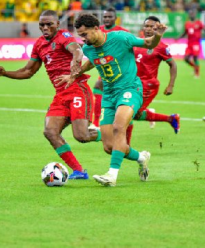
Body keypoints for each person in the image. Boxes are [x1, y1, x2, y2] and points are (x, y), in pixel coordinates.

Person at [58, 13, 167, 187]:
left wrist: (158, 36)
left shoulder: (120, 38)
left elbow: (148, 43)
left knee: (118, 127)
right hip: (109, 96)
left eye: (85, 34)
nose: (83, 39)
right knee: (109, 146)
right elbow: (92, 63)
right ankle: (141, 158)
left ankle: (111, 175)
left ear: (96, 29)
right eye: (80, 36)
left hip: (130, 89)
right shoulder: (88, 48)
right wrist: (74, 75)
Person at [0, 10, 101, 180]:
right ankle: (79, 171)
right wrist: (5, 73)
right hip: (61, 95)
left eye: (49, 24)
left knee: (82, 136)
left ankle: (110, 134)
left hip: (77, 89)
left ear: (57, 24)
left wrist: (75, 62)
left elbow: (77, 51)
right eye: (41, 24)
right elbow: (28, 71)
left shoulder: (64, 36)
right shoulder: (39, 44)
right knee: (50, 131)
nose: (45, 27)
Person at [129, 16, 180, 145]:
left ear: (158, 28)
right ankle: (170, 118)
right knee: (131, 113)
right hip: (132, 84)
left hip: (148, 85)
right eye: (146, 26)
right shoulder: (137, 42)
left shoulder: (161, 46)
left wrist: (171, 85)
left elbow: (173, 65)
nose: (149, 29)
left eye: (152, 27)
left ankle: (124, 146)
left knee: (129, 113)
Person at [91, 7, 130, 128]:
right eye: (105, 17)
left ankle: (101, 124)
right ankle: (97, 123)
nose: (107, 19)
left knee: (118, 97)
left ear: (115, 18)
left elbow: (131, 48)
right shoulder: (98, 31)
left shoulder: (122, 31)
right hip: (105, 67)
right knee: (99, 88)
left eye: (110, 17)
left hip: (120, 69)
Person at [178, 9, 205, 78]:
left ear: (195, 14)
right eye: (190, 13)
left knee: (195, 58)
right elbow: (185, 32)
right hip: (189, 44)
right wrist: (179, 37)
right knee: (186, 59)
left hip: (196, 44)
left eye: (193, 13)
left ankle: (197, 74)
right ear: (189, 15)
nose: (192, 15)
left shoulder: (199, 22)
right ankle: (195, 67)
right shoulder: (187, 23)